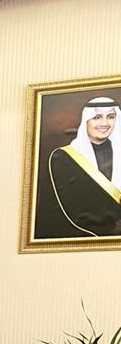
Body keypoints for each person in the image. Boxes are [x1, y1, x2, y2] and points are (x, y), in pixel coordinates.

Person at [46, 97, 121, 238]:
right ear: (86, 120)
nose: (104, 123)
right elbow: (74, 208)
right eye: (97, 117)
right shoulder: (64, 157)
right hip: (84, 237)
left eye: (111, 117)